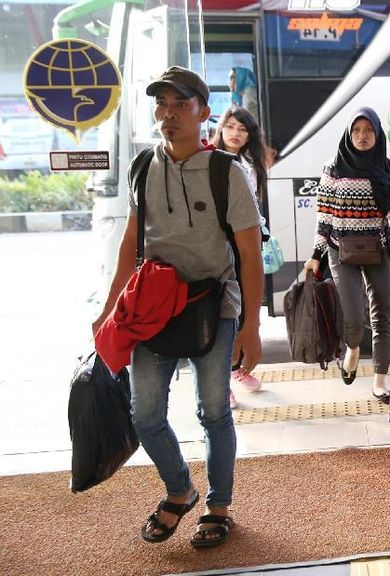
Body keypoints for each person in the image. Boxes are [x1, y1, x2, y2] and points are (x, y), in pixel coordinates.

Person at [91, 66, 263, 547]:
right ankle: (180, 489)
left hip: (214, 305)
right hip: (152, 306)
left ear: (202, 112)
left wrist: (250, 327)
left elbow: (249, 253)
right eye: (160, 105)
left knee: (213, 412)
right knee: (144, 414)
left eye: (179, 105)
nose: (167, 115)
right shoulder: (143, 166)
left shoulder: (226, 172)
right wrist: (109, 310)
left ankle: (219, 505)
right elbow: (131, 241)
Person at [302, 107, 390, 402]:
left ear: (377, 133)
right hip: (340, 249)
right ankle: (353, 348)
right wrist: (315, 254)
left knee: (383, 313)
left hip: (379, 248)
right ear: (349, 134)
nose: (362, 136)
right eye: (357, 130)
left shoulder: (388, 166)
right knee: (353, 314)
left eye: (368, 130)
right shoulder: (333, 168)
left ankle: (381, 379)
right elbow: (324, 215)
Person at [213, 106, 274, 405]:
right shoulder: (210, 162)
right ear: (221, 129)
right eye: (231, 127)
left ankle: (238, 369)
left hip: (246, 245)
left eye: (243, 129)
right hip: (219, 247)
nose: (236, 134)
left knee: (244, 309)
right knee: (223, 312)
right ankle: (222, 380)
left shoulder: (251, 165)